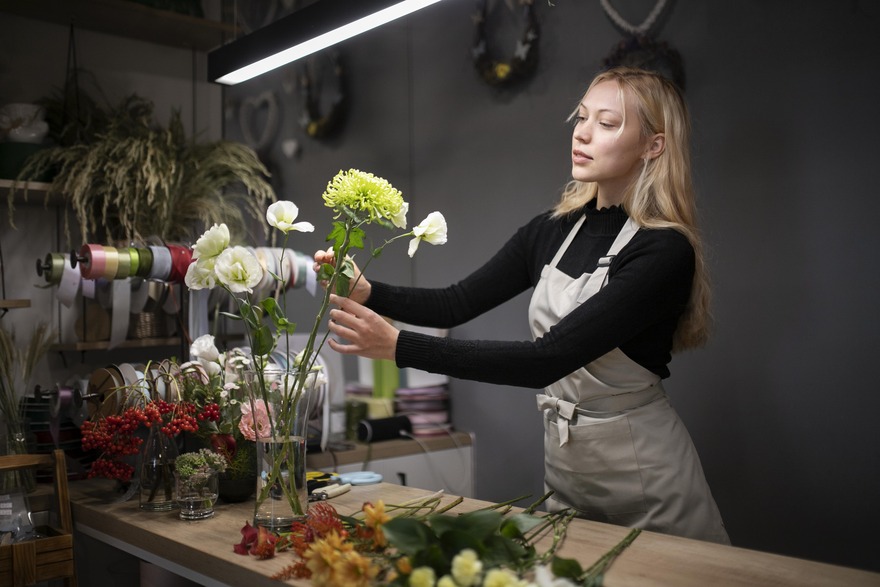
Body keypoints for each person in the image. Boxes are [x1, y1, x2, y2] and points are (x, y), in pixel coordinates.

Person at [315, 66, 730, 544]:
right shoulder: (551, 230)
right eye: (581, 118)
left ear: (653, 145)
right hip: (568, 468)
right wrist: (371, 292)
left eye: (608, 123)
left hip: (647, 475)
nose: (583, 133)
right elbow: (457, 303)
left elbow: (547, 360)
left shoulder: (663, 250)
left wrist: (399, 347)